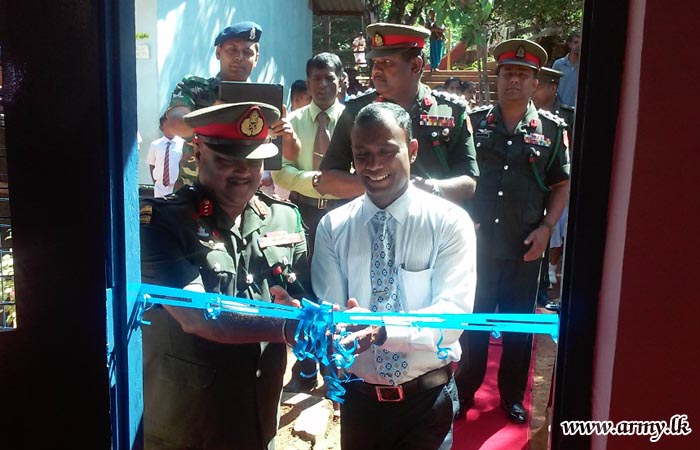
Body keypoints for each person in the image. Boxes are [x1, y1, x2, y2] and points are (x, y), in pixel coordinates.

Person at [140, 101, 310, 450]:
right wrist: (288, 325)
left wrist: (335, 322)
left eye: (253, 160)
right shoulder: (162, 224)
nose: (242, 172)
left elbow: (306, 300)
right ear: (197, 152)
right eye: (226, 160)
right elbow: (199, 315)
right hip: (187, 427)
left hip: (259, 423)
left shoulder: (285, 219)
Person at [312, 102, 476, 450]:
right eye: (362, 154)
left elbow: (453, 315)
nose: (373, 165)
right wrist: (319, 322)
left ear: (411, 150)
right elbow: (332, 312)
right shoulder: (333, 227)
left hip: (428, 402)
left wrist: (385, 329)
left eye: (387, 151)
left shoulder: (448, 222)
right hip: (360, 404)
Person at [454, 39, 570, 424]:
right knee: (473, 323)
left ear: (535, 82)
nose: (514, 81)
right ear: (497, 77)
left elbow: (561, 184)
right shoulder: (473, 122)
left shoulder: (552, 131)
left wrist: (547, 229)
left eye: (522, 74)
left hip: (525, 247)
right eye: (508, 73)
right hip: (478, 246)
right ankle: (465, 391)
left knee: (519, 328)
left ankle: (512, 398)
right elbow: (459, 175)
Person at [316, 23, 478, 210]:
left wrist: (427, 188)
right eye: (375, 63)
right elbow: (327, 179)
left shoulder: (450, 112)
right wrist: (381, 185)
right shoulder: (357, 111)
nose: (376, 71)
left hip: (431, 224)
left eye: (387, 63)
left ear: (415, 66)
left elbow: (468, 183)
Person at [272, 52, 347, 392]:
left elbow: (358, 173)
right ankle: (305, 366)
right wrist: (317, 182)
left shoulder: (353, 121)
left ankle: (335, 366)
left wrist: (332, 186)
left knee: (337, 288)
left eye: (330, 77)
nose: (323, 84)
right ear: (308, 80)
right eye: (316, 78)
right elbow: (281, 175)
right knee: (302, 286)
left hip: (343, 213)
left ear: (341, 80)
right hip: (303, 213)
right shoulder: (292, 123)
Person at [164, 21, 300, 188]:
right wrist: (217, 115)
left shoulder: (264, 99)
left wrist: (288, 135)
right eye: (232, 50)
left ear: (256, 58)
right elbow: (175, 124)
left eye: (247, 52)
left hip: (243, 193)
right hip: (197, 191)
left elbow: (291, 154)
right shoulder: (195, 88)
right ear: (218, 52)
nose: (239, 57)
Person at [532, 66, 574, 308]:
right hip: (534, 190)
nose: (535, 90)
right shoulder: (524, 115)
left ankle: (549, 279)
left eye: (541, 85)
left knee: (555, 232)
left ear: (553, 87)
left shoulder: (566, 117)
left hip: (559, 185)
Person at [146, 114, 185, 198]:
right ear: (161, 128)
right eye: (168, 125)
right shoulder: (155, 145)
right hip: (159, 187)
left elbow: (183, 164)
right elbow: (152, 164)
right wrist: (155, 182)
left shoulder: (182, 144)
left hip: (176, 186)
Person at [551, 30, 581, 107]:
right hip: (559, 108)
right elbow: (551, 87)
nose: (579, 45)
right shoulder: (559, 64)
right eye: (576, 42)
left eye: (581, 43)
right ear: (570, 44)